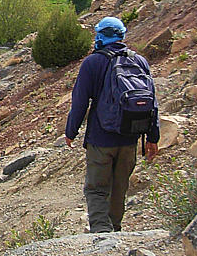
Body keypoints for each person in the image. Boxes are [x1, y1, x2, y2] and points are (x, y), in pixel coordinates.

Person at [65, 16, 160, 234]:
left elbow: (80, 102)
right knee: (119, 189)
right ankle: (115, 231)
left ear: (100, 36)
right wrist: (153, 138)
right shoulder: (139, 61)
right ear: (122, 35)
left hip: (101, 139)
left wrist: (71, 131)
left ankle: (101, 234)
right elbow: (152, 102)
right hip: (130, 138)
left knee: (97, 190)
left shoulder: (92, 63)